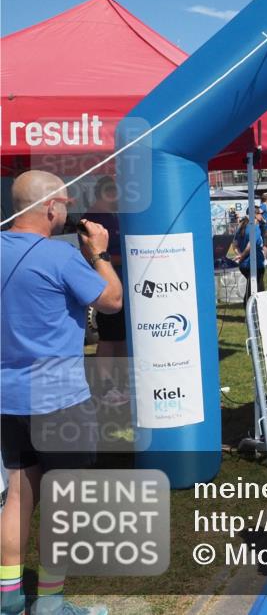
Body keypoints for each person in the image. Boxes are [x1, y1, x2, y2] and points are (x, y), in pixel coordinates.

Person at [2, 170, 122, 615]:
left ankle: (9, 597)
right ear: (51, 207)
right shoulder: (60, 256)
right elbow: (112, 300)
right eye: (67, 204)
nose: (70, 211)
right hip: (60, 400)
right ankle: (51, 602)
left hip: (9, 398)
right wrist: (100, 253)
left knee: (19, 495)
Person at [80, 176, 128, 408]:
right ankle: (105, 386)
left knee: (120, 336)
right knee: (109, 337)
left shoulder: (112, 216)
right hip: (107, 285)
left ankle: (119, 383)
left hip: (121, 284)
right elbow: (89, 254)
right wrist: (125, 258)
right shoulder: (91, 219)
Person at [232, 208, 266, 304]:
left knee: (256, 290)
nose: (262, 215)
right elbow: (250, 246)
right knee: (254, 292)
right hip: (254, 264)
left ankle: (256, 313)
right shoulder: (254, 227)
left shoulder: (242, 227)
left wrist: (239, 255)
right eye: (260, 213)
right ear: (254, 215)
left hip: (245, 265)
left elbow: (234, 245)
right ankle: (250, 314)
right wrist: (242, 256)